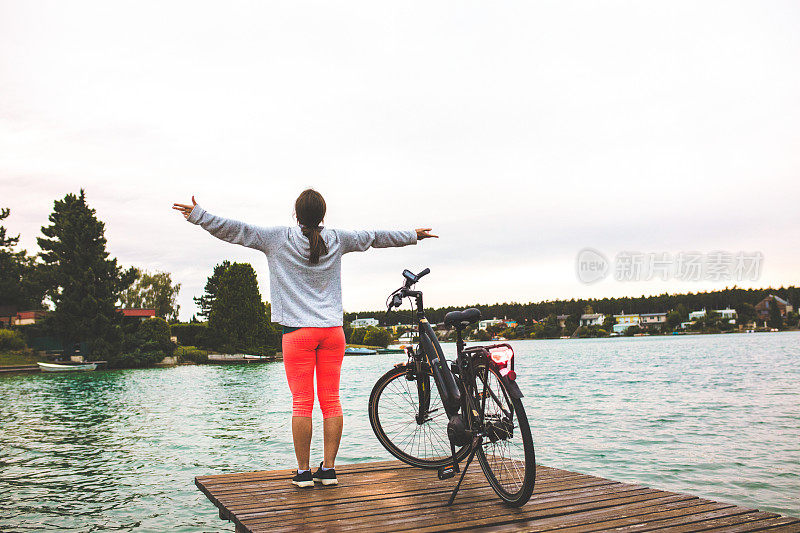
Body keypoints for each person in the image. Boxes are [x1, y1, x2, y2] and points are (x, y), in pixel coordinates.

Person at [173, 189, 436, 487]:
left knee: (302, 403)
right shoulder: (338, 239)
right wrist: (412, 235)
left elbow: (236, 230)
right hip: (333, 332)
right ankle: (329, 470)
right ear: (323, 216)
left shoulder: (277, 238)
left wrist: (198, 216)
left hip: (297, 333)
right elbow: (373, 237)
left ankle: (303, 473)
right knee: (332, 402)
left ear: (296, 215)